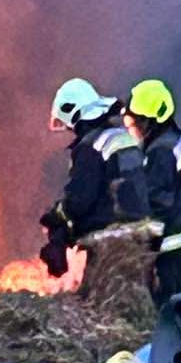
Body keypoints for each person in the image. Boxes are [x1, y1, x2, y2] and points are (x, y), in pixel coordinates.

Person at [39, 78, 149, 277]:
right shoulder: (121, 136)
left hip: (111, 247)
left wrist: (56, 221)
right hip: (142, 241)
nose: (70, 130)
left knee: (100, 302)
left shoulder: (91, 147)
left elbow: (79, 201)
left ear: (74, 113)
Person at [125, 77, 181, 300]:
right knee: (180, 305)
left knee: (167, 311)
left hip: (169, 246)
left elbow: (157, 202)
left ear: (151, 121)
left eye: (137, 122)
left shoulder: (162, 151)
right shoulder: (177, 140)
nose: (134, 129)